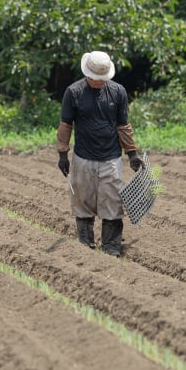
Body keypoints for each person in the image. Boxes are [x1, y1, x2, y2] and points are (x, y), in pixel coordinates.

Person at [56, 50, 142, 257]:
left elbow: (123, 126)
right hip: (83, 157)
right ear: (88, 75)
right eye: (96, 79)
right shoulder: (73, 92)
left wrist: (132, 153)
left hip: (110, 157)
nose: (99, 82)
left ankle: (111, 248)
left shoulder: (118, 92)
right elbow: (66, 125)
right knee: (83, 201)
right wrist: (62, 154)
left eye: (102, 79)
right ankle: (85, 245)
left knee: (112, 201)